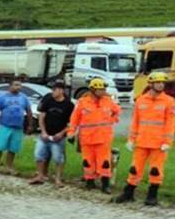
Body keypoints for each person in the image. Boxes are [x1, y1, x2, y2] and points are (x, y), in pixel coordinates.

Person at [114, 72, 175, 206]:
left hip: (159, 144)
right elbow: (136, 122)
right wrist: (131, 139)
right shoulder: (141, 100)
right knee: (135, 168)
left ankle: (152, 196)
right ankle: (128, 193)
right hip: (141, 141)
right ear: (151, 84)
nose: (161, 84)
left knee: (156, 170)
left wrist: (167, 142)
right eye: (158, 82)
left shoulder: (169, 101)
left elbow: (170, 123)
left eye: (162, 82)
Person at [66, 77, 121, 193]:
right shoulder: (82, 102)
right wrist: (71, 133)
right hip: (87, 138)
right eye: (100, 89)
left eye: (103, 89)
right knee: (88, 161)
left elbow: (117, 111)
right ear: (92, 90)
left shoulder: (108, 101)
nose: (103, 91)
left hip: (103, 138)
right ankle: (89, 181)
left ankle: (105, 184)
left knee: (104, 162)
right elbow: (74, 119)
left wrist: (112, 120)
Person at [29, 81, 74, 186]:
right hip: (45, 134)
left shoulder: (69, 105)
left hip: (59, 136)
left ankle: (58, 179)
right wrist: (43, 132)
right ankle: (40, 175)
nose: (52, 92)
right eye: (52, 90)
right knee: (38, 155)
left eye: (55, 90)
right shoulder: (48, 100)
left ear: (61, 90)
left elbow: (71, 123)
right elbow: (41, 117)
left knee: (58, 158)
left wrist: (62, 133)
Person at [0, 79, 33, 174]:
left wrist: (30, 125)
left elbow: (29, 111)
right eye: (16, 85)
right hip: (5, 126)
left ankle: (9, 167)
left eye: (20, 85)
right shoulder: (3, 97)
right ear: (10, 86)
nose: (18, 87)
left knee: (13, 148)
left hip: (18, 127)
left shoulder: (23, 97)